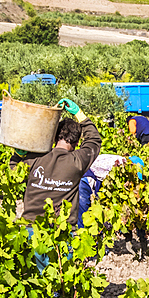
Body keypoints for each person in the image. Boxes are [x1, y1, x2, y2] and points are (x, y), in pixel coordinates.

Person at [12, 98, 101, 269]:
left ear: (53, 139)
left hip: (31, 231)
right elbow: (94, 140)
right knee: (61, 285)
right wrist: (79, 114)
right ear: (76, 144)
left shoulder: (35, 159)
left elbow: (13, 173)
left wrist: (18, 153)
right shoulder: (78, 161)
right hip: (62, 233)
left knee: (38, 287)